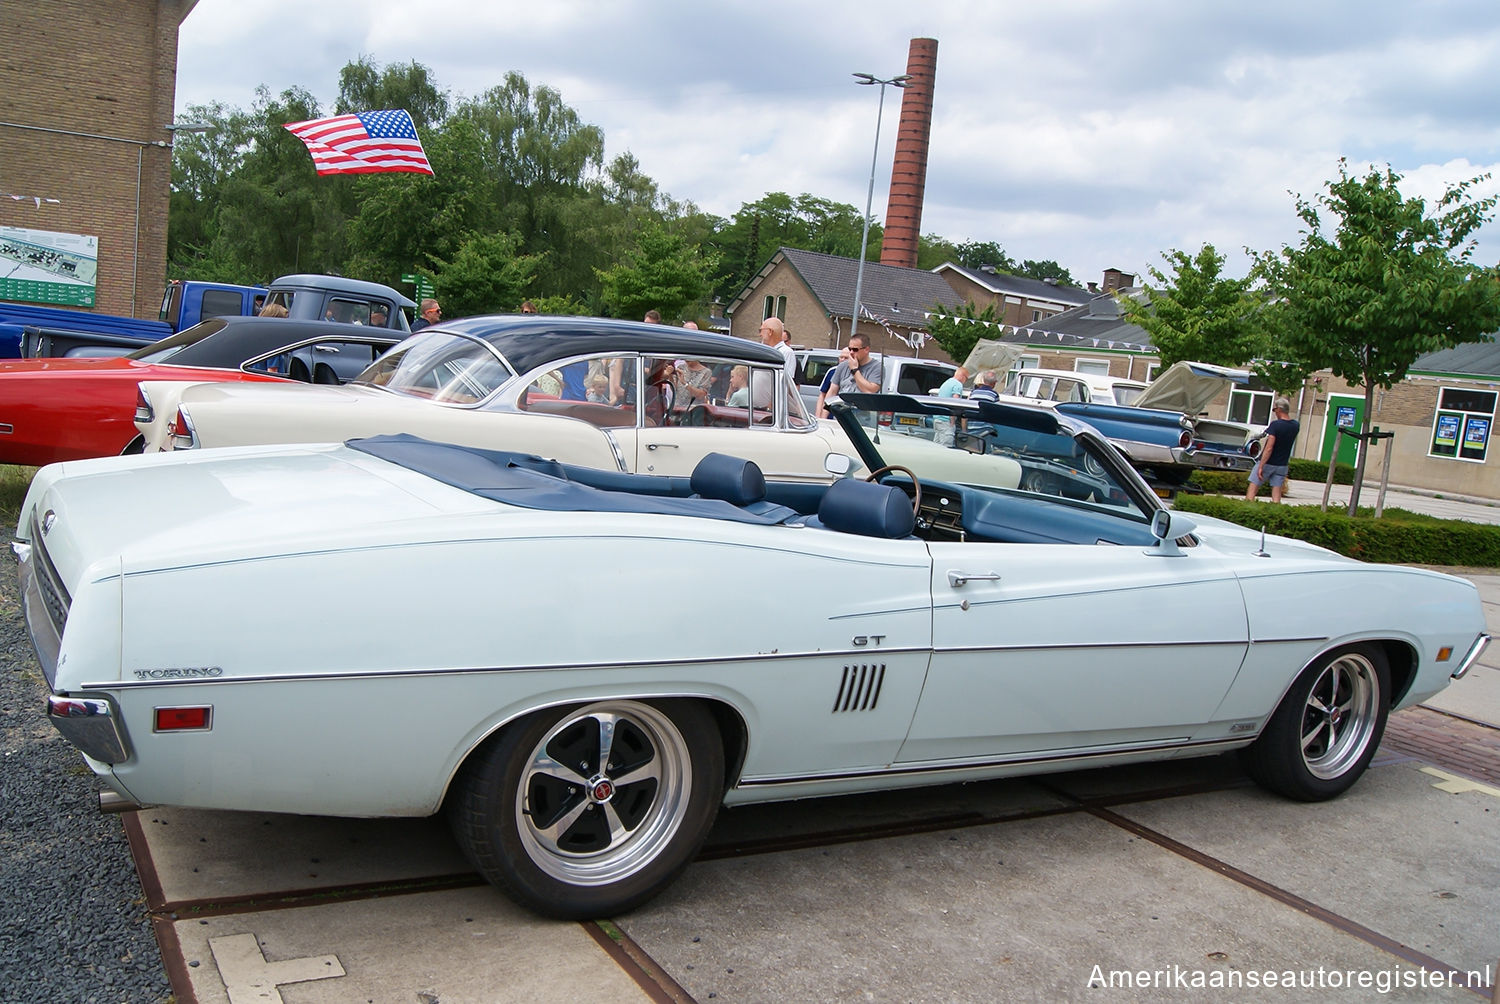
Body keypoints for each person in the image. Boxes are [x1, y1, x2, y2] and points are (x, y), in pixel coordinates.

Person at [1246, 397, 1301, 503]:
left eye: (1274, 410)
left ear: (1279, 409)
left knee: (1252, 491)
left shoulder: (1276, 425)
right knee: (1276, 495)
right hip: (1282, 465)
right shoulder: (1295, 425)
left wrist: (1261, 466)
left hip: (1268, 463)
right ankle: (1276, 512)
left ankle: (1248, 510)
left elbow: (1269, 448)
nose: (1274, 412)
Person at [816, 334, 881, 417]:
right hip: (842, 417)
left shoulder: (877, 367)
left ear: (866, 349)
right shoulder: (843, 366)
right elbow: (832, 392)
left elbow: (870, 391)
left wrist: (854, 370)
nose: (851, 352)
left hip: (864, 419)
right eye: (850, 349)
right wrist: (823, 418)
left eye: (855, 349)